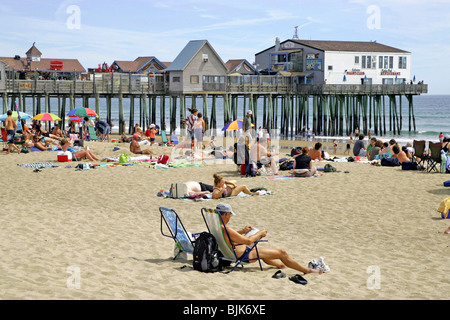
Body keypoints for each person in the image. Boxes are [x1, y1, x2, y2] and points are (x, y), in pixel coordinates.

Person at [215, 203, 323, 275]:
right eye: (230, 215)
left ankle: (281, 264)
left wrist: (243, 231)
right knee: (282, 253)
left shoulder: (216, 226)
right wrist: (260, 233)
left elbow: (229, 237)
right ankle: (307, 270)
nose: (230, 217)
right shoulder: (226, 229)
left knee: (263, 252)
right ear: (225, 215)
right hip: (243, 255)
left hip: (230, 252)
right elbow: (248, 241)